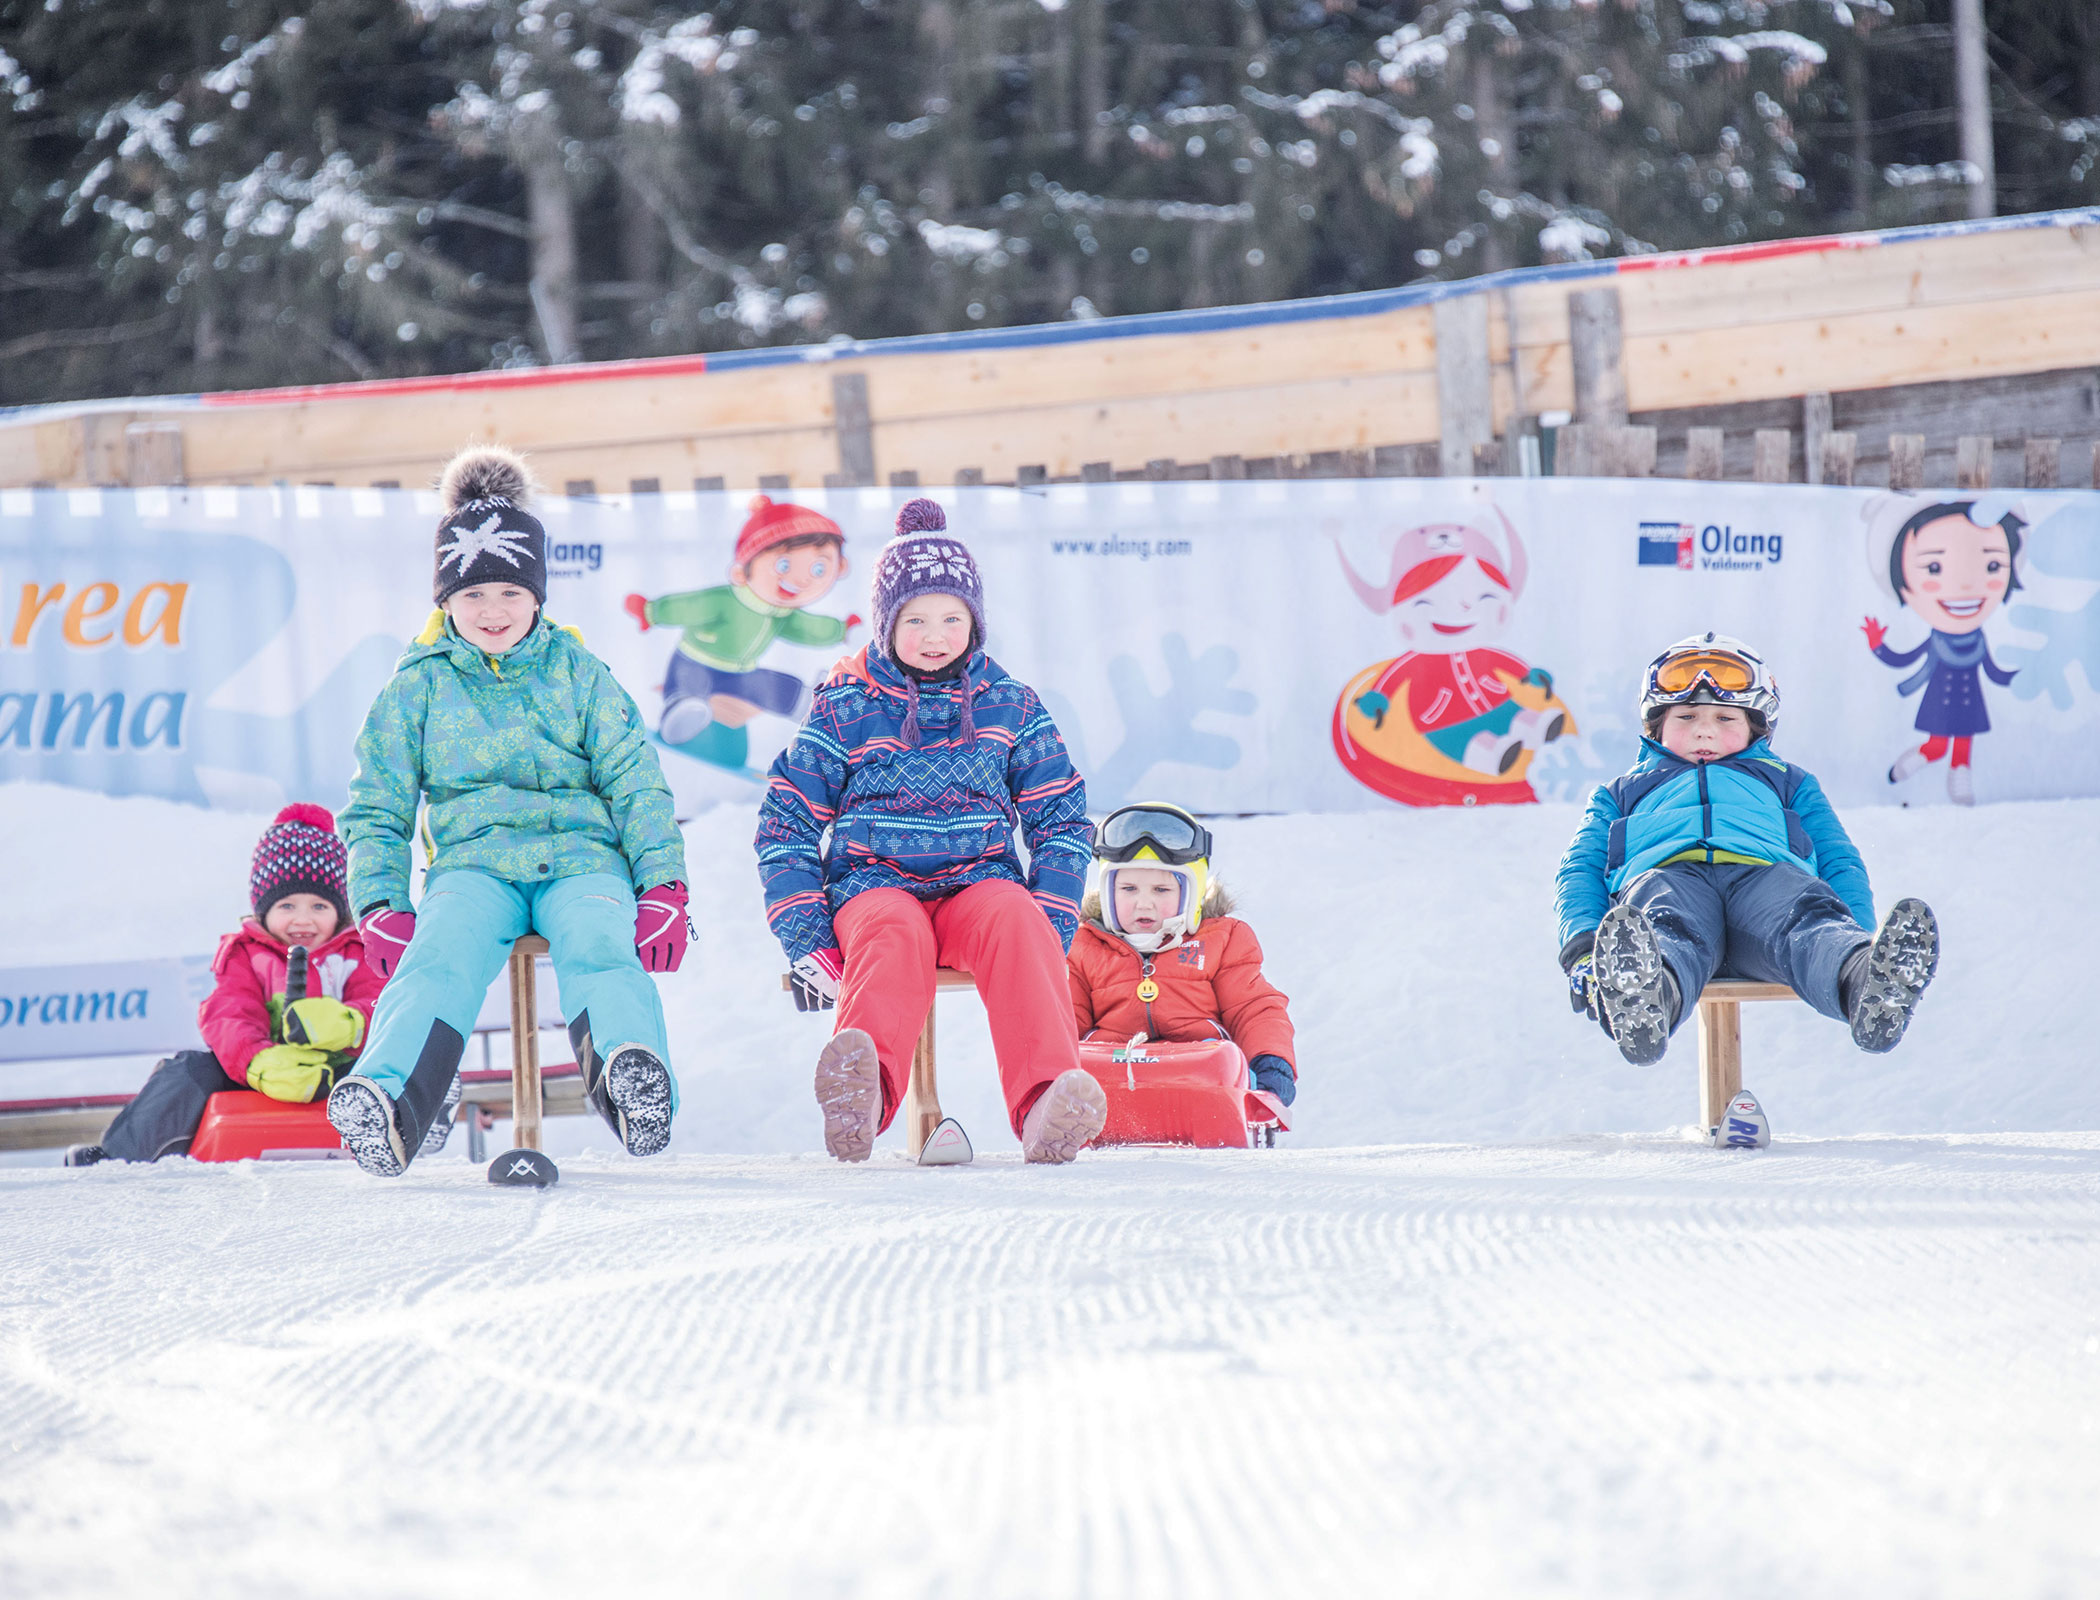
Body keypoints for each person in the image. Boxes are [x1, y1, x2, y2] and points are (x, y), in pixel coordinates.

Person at [330, 445, 690, 1177]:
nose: (492, 611)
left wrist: (664, 886)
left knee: (598, 946)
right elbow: (377, 805)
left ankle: (631, 1080)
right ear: (445, 601)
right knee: (439, 957)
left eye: (509, 593)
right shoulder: (417, 688)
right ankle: (390, 1100)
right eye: (472, 595)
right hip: (474, 867)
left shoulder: (579, 674)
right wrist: (379, 901)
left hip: (582, 860)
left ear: (538, 596)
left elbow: (636, 783)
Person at [755, 497, 1103, 1164]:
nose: (935, 634)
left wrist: (1051, 921)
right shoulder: (845, 705)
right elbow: (786, 822)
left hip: (978, 886)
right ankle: (864, 1096)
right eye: (915, 619)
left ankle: (1047, 1103)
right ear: (887, 624)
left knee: (1017, 917)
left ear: (975, 622)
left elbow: (1060, 815)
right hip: (875, 886)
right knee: (893, 933)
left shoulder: (1010, 704)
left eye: (952, 618)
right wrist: (808, 937)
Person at [1556, 632, 1940, 1073]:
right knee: (1663, 924)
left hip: (1765, 881)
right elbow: (1580, 868)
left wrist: (1857, 931)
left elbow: (1839, 858)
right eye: (1686, 716)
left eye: (1725, 718)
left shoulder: (1788, 782)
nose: (1704, 729)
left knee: (1807, 921)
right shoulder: (1620, 793)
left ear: (1756, 727)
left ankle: (1866, 980)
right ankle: (1644, 998)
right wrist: (1582, 948)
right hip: (1671, 880)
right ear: (1656, 725)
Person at [67, 804, 396, 1166]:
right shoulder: (246, 954)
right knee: (189, 1071)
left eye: (319, 906)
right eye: (287, 906)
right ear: (264, 909)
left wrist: (348, 1024)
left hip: (338, 1074)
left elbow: (382, 1003)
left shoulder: (358, 951)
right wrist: (260, 1061)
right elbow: (229, 1013)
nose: (303, 919)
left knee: (389, 1068)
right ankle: (120, 1157)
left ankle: (405, 1134)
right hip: (259, 1076)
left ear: (340, 909)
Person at [1067, 802, 1297, 1108]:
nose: (1143, 903)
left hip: (1201, 1074)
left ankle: (1221, 1117)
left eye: (1161, 890)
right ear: (1107, 890)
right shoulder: (1084, 946)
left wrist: (1270, 1062)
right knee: (1078, 1064)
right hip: (1110, 1077)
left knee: (1223, 1060)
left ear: (1190, 893)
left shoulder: (1221, 940)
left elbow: (1253, 1008)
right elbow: (1064, 1016)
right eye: (1129, 888)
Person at [623, 495, 861, 772]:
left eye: (818, 569)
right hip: (695, 662)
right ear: (742, 570)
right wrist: (651, 611)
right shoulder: (724, 600)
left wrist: (839, 630)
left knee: (768, 683)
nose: (801, 579)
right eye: (783, 566)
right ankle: (679, 714)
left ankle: (805, 701)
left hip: (739, 673)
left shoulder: (781, 614)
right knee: (686, 687)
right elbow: (688, 607)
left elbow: (807, 627)